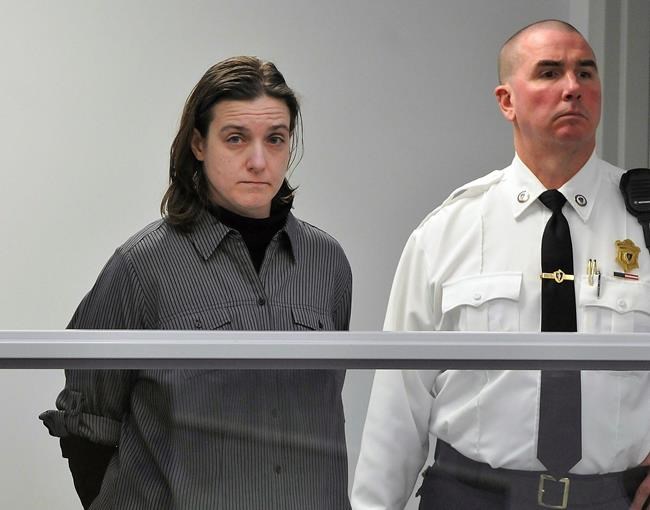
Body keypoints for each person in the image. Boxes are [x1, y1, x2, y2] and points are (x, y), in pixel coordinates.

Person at [351, 20, 650, 510]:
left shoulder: (643, 223)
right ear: (507, 101)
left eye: (585, 73)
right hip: (471, 496)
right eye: (549, 73)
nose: (572, 88)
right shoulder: (449, 231)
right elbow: (398, 402)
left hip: (610, 499)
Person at [40, 56, 352, 510]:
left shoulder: (328, 263)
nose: (259, 161)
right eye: (235, 138)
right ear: (199, 144)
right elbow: (87, 425)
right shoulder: (140, 266)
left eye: (276, 139)